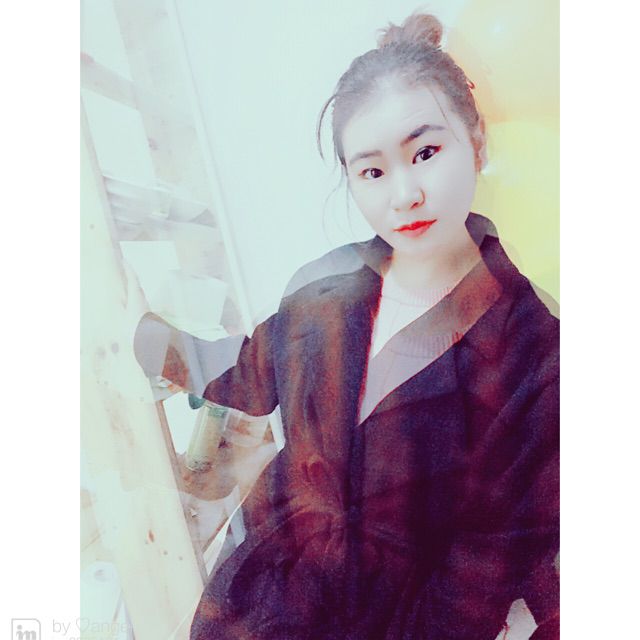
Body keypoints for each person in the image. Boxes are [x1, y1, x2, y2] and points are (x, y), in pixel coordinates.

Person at [133, 12, 559, 640]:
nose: (404, 194)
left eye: (426, 152)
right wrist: (144, 341)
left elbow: (482, 570)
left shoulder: (536, 351)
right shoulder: (328, 287)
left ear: (477, 141)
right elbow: (249, 372)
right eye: (373, 171)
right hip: (252, 599)